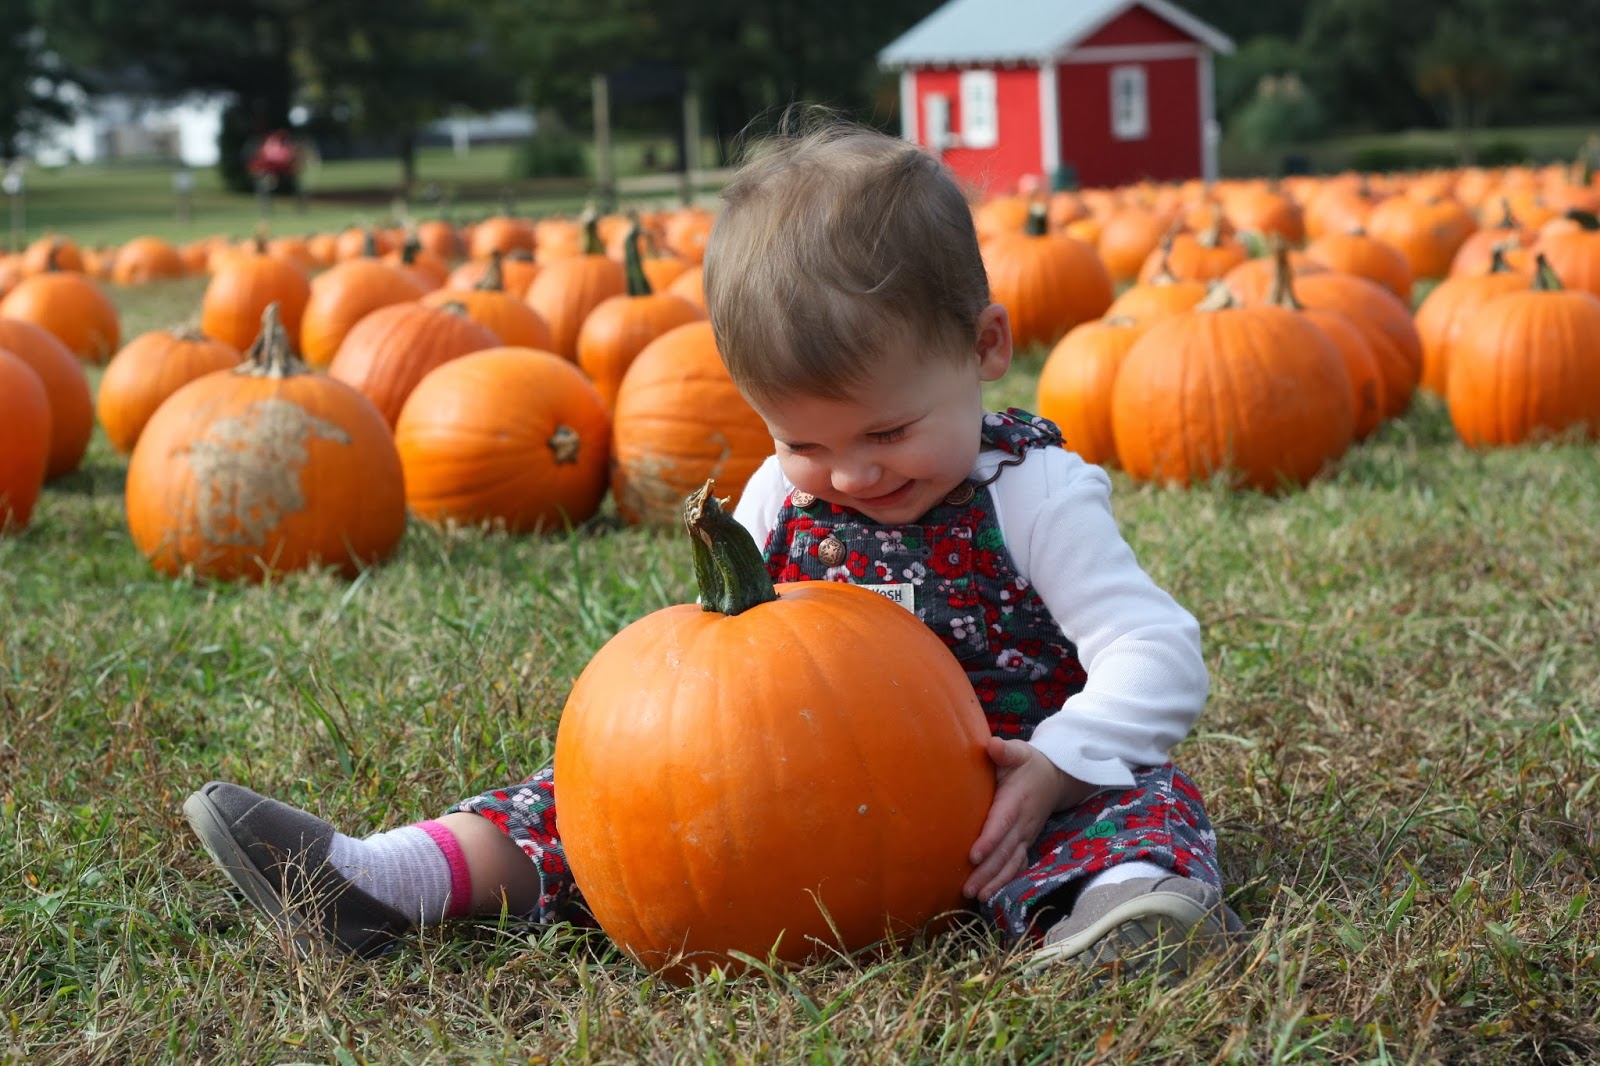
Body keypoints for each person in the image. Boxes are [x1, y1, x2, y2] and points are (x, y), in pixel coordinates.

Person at [184, 113, 1243, 982]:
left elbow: (1155, 650)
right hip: (825, 805)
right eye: (803, 439)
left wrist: (1061, 762)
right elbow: (745, 673)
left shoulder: (1031, 492)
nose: (852, 475)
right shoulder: (778, 493)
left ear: (985, 347)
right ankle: (381, 881)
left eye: (887, 432)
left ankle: (1118, 921)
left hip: (1010, 794)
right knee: (590, 804)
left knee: (1140, 803)